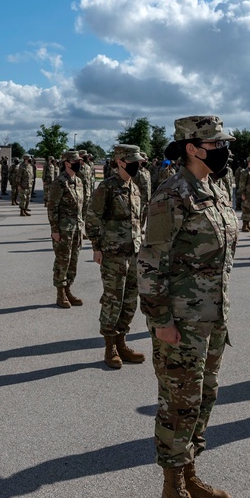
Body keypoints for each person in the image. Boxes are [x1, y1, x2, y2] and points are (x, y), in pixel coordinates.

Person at [138, 115, 237, 498]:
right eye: (216, 144)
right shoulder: (171, 195)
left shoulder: (214, 188)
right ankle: (172, 484)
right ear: (193, 148)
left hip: (211, 317)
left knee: (204, 395)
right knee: (179, 401)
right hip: (180, 319)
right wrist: (161, 320)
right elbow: (149, 263)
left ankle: (191, 469)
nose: (224, 151)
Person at [86, 144, 147, 369]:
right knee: (113, 299)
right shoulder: (107, 187)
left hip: (133, 252)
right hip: (113, 253)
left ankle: (122, 341)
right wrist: (96, 247)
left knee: (130, 299)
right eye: (132, 161)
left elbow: (138, 221)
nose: (136, 165)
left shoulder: (134, 187)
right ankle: (109, 346)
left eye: (137, 161)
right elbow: (92, 216)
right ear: (120, 161)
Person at [48, 150, 86, 309]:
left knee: (73, 260)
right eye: (75, 161)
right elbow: (52, 208)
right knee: (63, 260)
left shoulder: (78, 181)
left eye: (80, 161)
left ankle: (68, 289)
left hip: (76, 227)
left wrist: (82, 226)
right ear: (67, 163)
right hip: (63, 229)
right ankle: (60, 293)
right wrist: (55, 230)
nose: (79, 163)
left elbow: (81, 207)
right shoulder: (59, 182)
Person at [237, 156, 250, 232]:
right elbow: (242, 184)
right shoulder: (245, 172)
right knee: (246, 210)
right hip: (247, 195)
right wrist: (242, 194)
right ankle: (244, 226)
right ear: (249, 162)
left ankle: (248, 224)